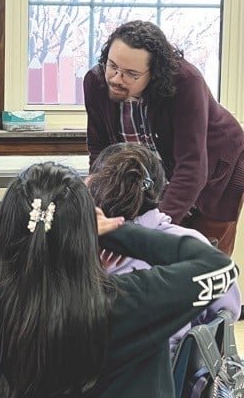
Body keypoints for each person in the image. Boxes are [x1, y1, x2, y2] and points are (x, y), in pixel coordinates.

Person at [0, 161, 238, 398]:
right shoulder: (130, 300)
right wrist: (115, 230)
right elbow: (219, 266)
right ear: (85, 235)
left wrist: (37, 212)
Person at [83, 20, 244, 255]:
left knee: (199, 258)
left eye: (131, 74)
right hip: (156, 177)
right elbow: (100, 151)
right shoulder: (96, 82)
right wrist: (98, 206)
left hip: (214, 173)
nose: (117, 78)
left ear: (155, 73)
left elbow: (192, 169)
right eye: (113, 66)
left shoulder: (186, 82)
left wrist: (151, 234)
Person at [86, 142, 241, 352]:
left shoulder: (80, 247)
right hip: (179, 375)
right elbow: (227, 311)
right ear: (160, 190)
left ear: (93, 186)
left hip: (105, 374)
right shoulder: (192, 244)